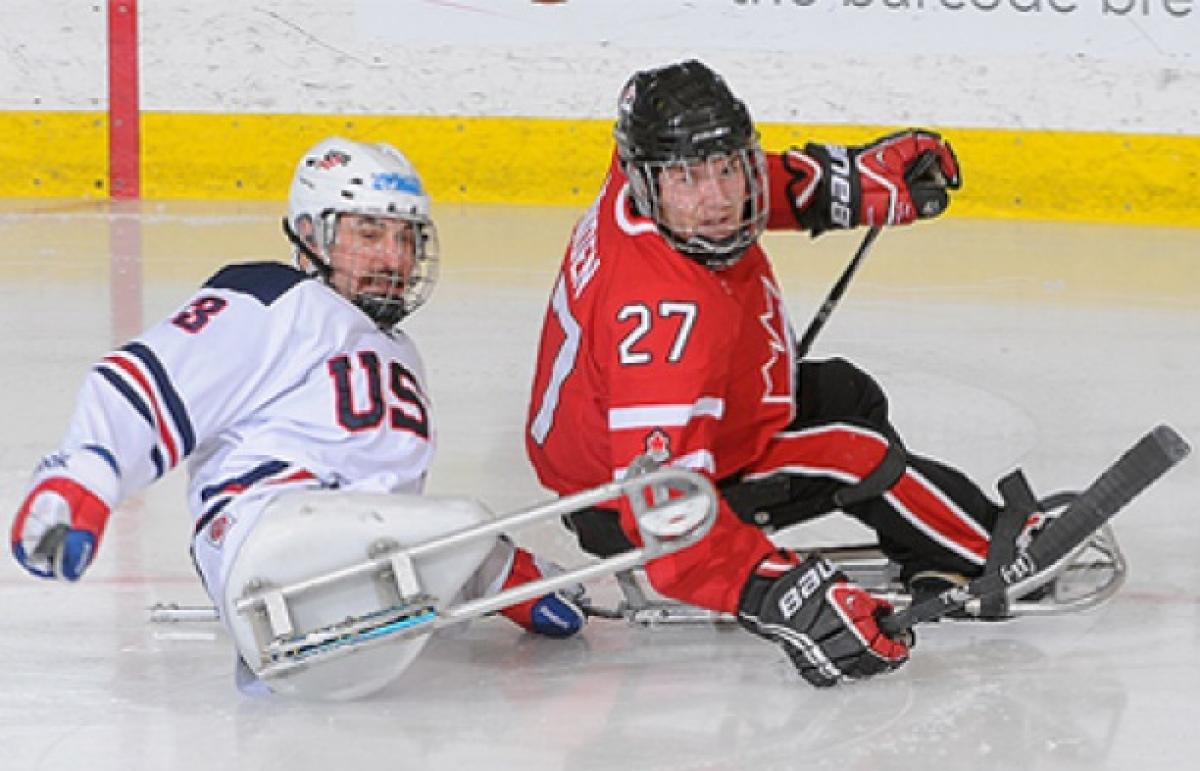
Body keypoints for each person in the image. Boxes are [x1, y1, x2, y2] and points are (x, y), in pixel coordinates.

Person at [525, 59, 1039, 688]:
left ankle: (928, 549)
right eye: (690, 178)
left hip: (629, 436)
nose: (715, 198)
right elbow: (661, 510)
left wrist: (856, 182)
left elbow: (743, 183)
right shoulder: (663, 320)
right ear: (649, 178)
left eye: (726, 168)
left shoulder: (648, 187)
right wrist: (776, 592)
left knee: (844, 392)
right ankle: (997, 551)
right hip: (623, 489)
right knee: (852, 452)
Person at [10, 136, 585, 692]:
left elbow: (391, 508)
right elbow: (153, 379)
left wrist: (495, 573)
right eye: (369, 232)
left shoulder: (399, 353)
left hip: (358, 559)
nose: (394, 256)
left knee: (462, 522)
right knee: (462, 517)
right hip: (268, 530)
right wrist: (80, 478)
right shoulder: (275, 299)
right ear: (311, 233)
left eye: (406, 237)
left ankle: (449, 582)